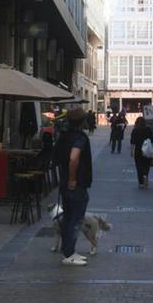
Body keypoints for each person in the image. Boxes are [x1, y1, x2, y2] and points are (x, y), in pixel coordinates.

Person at [54, 109, 93, 266]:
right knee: (75, 218)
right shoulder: (79, 138)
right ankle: (69, 253)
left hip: (65, 183)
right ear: (82, 121)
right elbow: (74, 158)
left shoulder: (63, 136)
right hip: (76, 184)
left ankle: (68, 250)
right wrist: (72, 179)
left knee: (68, 216)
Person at [129, 117, 153, 188]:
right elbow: (152, 140)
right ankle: (145, 175)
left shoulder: (135, 130)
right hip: (147, 150)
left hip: (138, 151)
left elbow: (132, 142)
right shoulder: (148, 129)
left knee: (139, 166)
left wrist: (131, 151)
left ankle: (141, 182)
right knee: (146, 165)